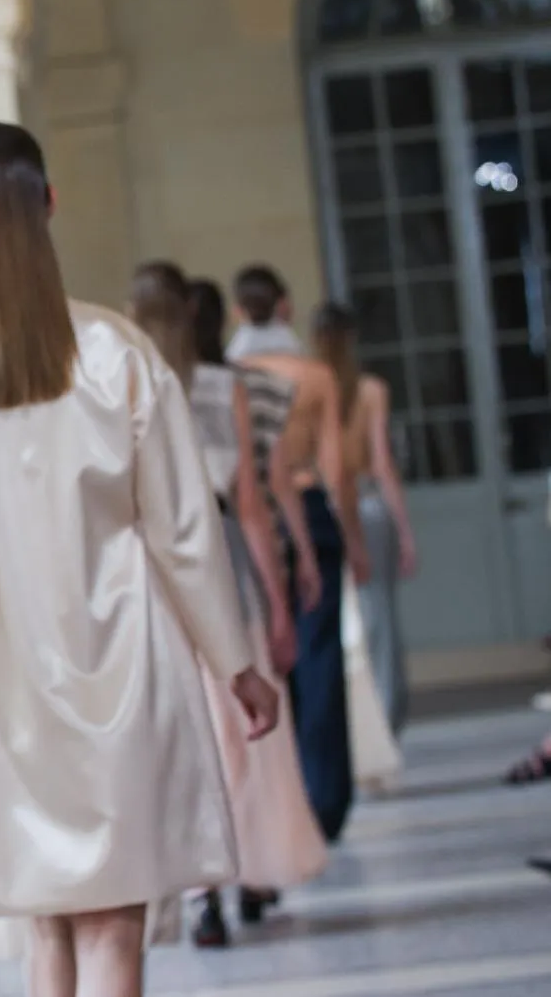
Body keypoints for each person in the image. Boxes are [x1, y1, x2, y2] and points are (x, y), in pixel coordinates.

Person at [0, 123, 280, 997]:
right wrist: (235, 661)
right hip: (122, 663)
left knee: (44, 927)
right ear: (48, 204)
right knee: (114, 929)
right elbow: (183, 527)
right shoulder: (120, 353)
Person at [129, 264, 326, 951]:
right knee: (240, 730)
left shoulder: (120, 384)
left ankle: (200, 891)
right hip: (218, 560)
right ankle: (240, 869)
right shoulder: (222, 388)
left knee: (182, 734)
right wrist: (279, 599)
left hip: (147, 573)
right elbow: (250, 504)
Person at [228, 265, 367, 847]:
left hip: (248, 518)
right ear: (284, 307)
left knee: (264, 656)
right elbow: (335, 465)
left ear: (239, 311)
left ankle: (275, 809)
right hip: (306, 507)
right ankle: (324, 800)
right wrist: (352, 535)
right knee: (319, 658)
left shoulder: (230, 375)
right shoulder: (314, 375)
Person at [313, 303, 418, 737]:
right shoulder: (370, 390)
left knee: (340, 622)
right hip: (368, 503)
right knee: (380, 619)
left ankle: (355, 725)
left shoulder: (309, 386)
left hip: (325, 504)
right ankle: (384, 719)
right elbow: (382, 463)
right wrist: (406, 531)